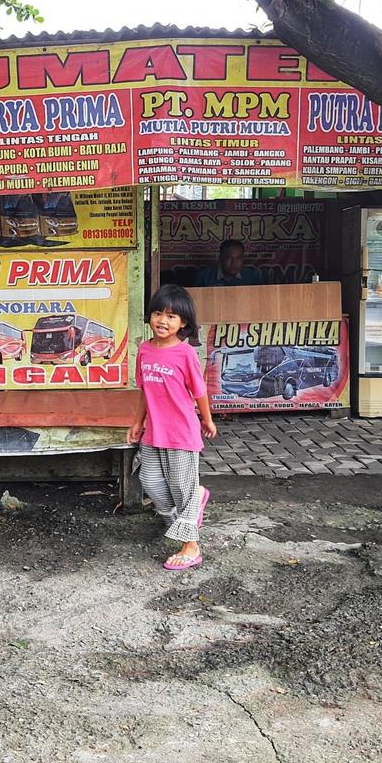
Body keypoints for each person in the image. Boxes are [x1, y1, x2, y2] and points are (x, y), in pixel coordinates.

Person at [126, 284, 217, 571]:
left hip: (181, 432)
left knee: (181, 487)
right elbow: (145, 389)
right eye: (157, 313)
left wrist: (207, 419)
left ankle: (191, 546)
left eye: (171, 316)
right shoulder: (145, 350)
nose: (162, 321)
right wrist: (138, 421)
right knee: (151, 482)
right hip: (154, 431)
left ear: (184, 323)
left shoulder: (185, 353)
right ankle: (187, 512)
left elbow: (199, 390)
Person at [195, 239, 262, 286]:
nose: (234, 263)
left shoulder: (252, 276)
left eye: (238, 258)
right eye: (229, 258)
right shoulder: (205, 277)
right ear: (220, 258)